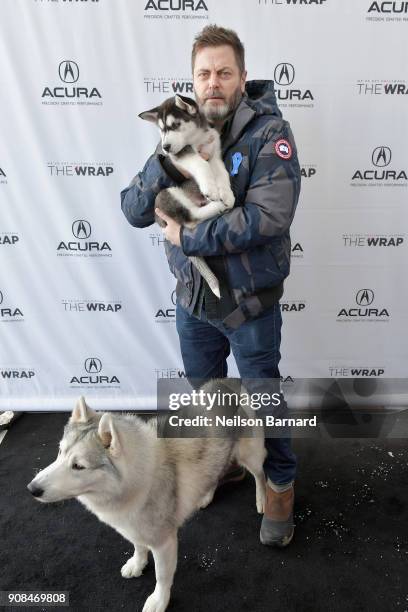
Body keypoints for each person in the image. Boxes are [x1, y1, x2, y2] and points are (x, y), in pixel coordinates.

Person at [121, 25, 301, 547]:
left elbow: (270, 218)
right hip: (193, 302)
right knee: (206, 400)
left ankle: (281, 485)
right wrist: (162, 161)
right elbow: (133, 210)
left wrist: (190, 235)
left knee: (263, 397)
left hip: (249, 305)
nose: (213, 83)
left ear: (242, 77)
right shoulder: (177, 133)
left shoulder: (271, 133)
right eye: (204, 74)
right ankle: (227, 465)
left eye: (224, 72)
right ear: (192, 82)